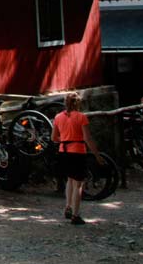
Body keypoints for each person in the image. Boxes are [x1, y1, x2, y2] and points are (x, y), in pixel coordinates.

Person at [52, 91, 103, 225]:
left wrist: (65, 139)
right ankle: (76, 215)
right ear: (78, 103)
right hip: (77, 151)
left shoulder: (58, 117)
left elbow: (54, 137)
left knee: (70, 180)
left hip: (63, 151)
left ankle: (68, 206)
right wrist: (97, 155)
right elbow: (87, 138)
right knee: (78, 184)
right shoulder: (81, 117)